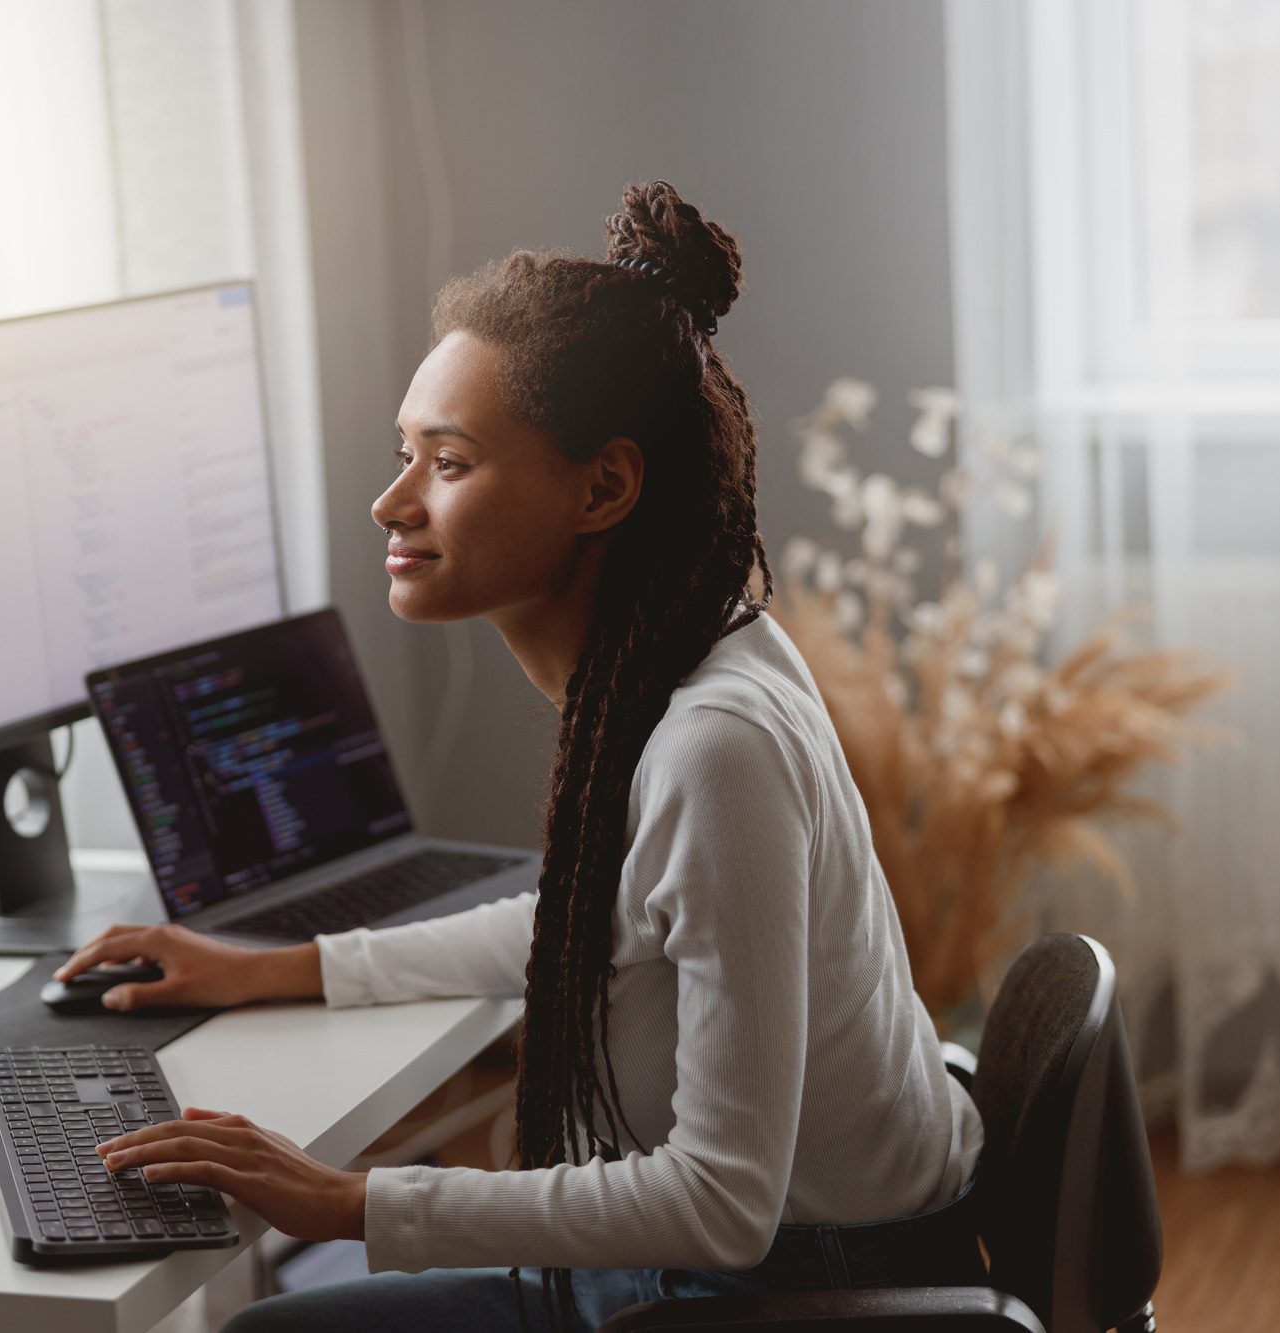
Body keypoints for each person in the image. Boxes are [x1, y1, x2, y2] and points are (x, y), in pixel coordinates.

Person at [54, 181, 984, 1332]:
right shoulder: (701, 653)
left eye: (447, 462)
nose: (390, 502)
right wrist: (270, 967)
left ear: (602, 488)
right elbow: (589, 919)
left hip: (783, 1295)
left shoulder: (713, 746)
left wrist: (347, 1201)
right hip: (775, 1262)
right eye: (405, 452)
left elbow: (722, 1203)